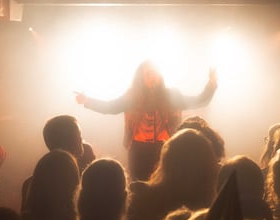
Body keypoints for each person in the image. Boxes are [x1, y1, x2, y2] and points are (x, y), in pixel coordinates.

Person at [76, 60, 218, 181]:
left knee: (165, 183)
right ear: (141, 77)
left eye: (154, 73)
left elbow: (198, 101)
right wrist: (87, 101)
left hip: (165, 148)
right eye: (148, 74)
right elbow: (110, 107)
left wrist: (211, 86)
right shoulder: (132, 97)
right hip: (138, 150)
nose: (152, 77)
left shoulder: (171, 95)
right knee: (138, 185)